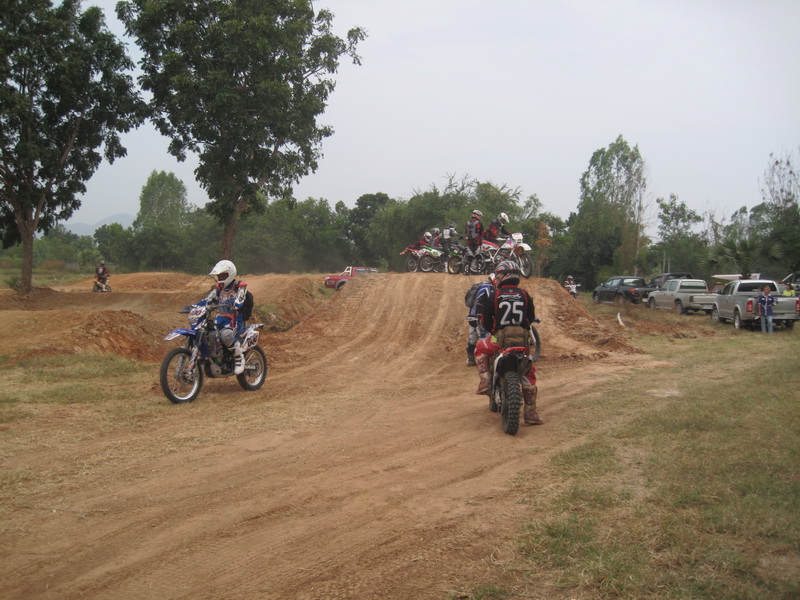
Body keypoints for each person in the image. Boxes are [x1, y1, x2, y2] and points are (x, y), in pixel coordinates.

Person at [474, 261, 543, 425]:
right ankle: (531, 413)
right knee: (529, 373)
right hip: (521, 342)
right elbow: (531, 317)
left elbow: (485, 318)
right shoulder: (524, 294)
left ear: (501, 276)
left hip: (499, 340)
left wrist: (493, 331)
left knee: (479, 349)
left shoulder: (495, 295)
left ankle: (485, 381)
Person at [198, 260, 248, 374]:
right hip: (220, 319)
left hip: (234, 321)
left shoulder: (240, 286)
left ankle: (238, 357)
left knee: (226, 335)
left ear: (230, 274)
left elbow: (240, 300)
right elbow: (208, 299)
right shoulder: (219, 288)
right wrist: (195, 306)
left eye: (223, 275)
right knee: (205, 332)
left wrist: (234, 305)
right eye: (219, 276)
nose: (221, 278)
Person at [465, 273, 495, 366]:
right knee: (485, 338)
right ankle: (486, 361)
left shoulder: (480, 286)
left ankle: (470, 358)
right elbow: (492, 301)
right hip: (479, 316)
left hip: (472, 315)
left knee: (473, 337)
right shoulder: (489, 287)